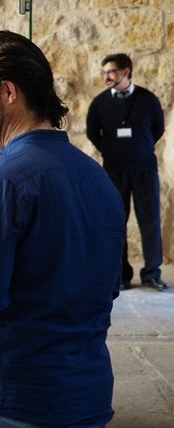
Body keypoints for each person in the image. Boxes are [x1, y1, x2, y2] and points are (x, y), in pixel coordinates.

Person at [0, 30, 126, 428]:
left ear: (7, 92)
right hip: (88, 404)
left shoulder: (4, 179)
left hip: (19, 407)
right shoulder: (98, 179)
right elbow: (109, 285)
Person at [86, 53, 167, 291]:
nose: (106, 77)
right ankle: (120, 275)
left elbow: (158, 129)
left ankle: (152, 273)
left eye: (110, 72)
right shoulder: (99, 103)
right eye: (104, 73)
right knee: (115, 222)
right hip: (114, 170)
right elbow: (92, 133)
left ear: (126, 72)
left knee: (150, 220)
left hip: (144, 169)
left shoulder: (148, 99)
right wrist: (110, 151)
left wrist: (140, 147)